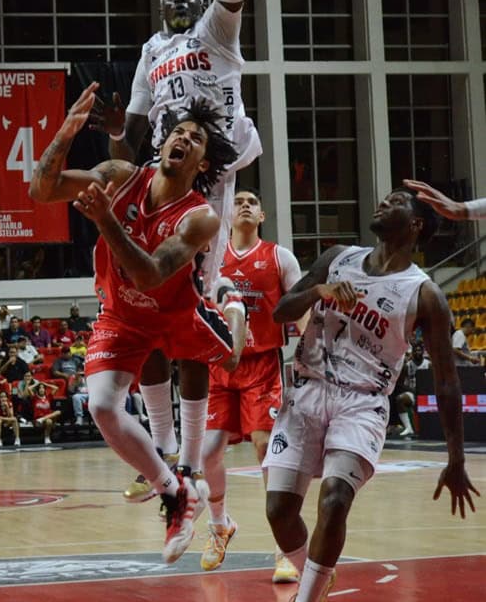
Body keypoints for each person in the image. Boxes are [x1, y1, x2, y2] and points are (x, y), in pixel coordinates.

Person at [89, 0, 261, 494]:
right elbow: (133, 133)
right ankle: (161, 450)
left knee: (189, 300)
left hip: (213, 167)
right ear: (162, 11)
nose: (184, 3)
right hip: (160, 174)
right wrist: (110, 130)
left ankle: (189, 449)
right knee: (139, 297)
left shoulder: (217, 34)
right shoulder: (150, 50)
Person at [30, 83, 244, 563]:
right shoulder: (120, 174)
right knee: (102, 406)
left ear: (202, 164)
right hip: (122, 314)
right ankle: (173, 491)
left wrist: (107, 221)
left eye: (195, 139)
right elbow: (40, 189)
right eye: (178, 132)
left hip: (174, 313)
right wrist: (64, 133)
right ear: (163, 142)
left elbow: (149, 275)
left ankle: (232, 305)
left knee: (218, 357)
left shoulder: (202, 218)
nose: (183, 139)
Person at [264, 188, 479, 602]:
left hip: (362, 403)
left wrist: (456, 458)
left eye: (396, 201)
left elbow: (447, 380)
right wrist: (317, 293)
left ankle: (307, 596)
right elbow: (280, 312)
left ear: (416, 224)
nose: (383, 201)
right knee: (278, 511)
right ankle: (318, 572)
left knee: (335, 497)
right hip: (307, 391)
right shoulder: (337, 258)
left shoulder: (424, 293)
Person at [200, 189, 304, 581]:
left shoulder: (279, 257)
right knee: (208, 452)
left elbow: (300, 307)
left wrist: (310, 352)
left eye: (252, 202)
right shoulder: (211, 257)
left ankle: (284, 549)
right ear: (228, 213)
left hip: (262, 363)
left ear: (261, 215)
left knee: (265, 446)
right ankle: (220, 524)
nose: (244, 204)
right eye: (238, 199)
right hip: (217, 364)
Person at [395, 340, 431, 438]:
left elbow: (432, 383)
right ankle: (408, 428)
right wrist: (412, 390)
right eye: (415, 350)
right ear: (412, 352)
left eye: (419, 350)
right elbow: (401, 384)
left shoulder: (428, 364)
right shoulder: (407, 365)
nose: (417, 352)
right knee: (400, 399)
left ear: (423, 352)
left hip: (426, 395)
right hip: (413, 393)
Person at [30, 380, 61, 445]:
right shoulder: (35, 398)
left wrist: (45, 384)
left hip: (46, 418)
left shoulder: (48, 397)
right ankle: (46, 436)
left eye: (43, 388)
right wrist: (37, 384)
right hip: (37, 419)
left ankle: (47, 437)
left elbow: (56, 388)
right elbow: (29, 388)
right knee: (49, 421)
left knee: (58, 412)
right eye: (40, 388)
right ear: (37, 390)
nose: (41, 389)